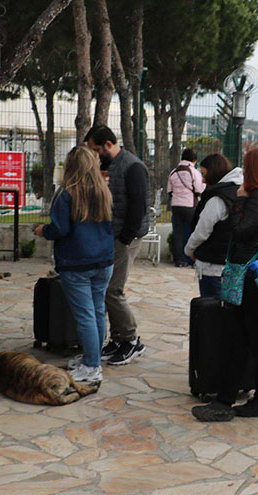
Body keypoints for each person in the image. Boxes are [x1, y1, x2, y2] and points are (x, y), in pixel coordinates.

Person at [191, 148, 258, 422]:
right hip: (255, 276)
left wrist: (238, 204)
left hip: (248, 277)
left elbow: (241, 231)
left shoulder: (257, 198)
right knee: (246, 338)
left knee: (253, 339)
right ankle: (230, 398)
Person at [34, 146, 115, 382]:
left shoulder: (66, 193)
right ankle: (93, 358)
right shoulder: (103, 191)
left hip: (76, 262)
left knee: (85, 315)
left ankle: (91, 366)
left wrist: (42, 231)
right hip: (103, 260)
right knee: (98, 311)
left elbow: (60, 229)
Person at [84, 126, 149, 366]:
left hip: (125, 237)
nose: (95, 154)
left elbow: (138, 206)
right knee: (107, 290)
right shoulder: (111, 166)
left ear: (108, 144)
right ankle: (118, 339)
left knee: (113, 290)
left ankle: (131, 340)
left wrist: (125, 238)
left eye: (97, 149)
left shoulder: (133, 167)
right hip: (115, 235)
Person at [185, 154, 243, 297]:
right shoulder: (239, 192)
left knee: (212, 312)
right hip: (233, 264)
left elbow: (202, 230)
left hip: (212, 266)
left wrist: (189, 249)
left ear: (214, 173)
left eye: (204, 174)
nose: (203, 180)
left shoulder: (217, 199)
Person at [167, 148, 204, 268]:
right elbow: (199, 189)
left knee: (178, 233)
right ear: (194, 160)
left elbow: (169, 191)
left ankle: (179, 260)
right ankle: (191, 259)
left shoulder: (173, 172)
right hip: (190, 206)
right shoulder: (194, 172)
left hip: (176, 205)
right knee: (193, 232)